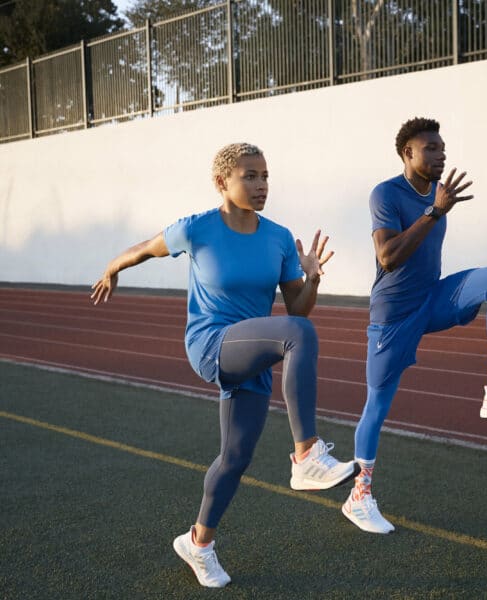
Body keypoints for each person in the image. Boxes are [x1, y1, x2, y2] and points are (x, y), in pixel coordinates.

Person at [91, 143, 358, 587]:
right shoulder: (196, 229)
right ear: (223, 182)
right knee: (298, 334)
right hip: (211, 343)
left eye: (265, 176)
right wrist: (113, 266)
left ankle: (198, 543)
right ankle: (306, 454)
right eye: (250, 176)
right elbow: (146, 248)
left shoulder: (277, 237)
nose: (261, 185)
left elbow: (298, 308)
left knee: (235, 458)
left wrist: (310, 277)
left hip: (253, 354)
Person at [342, 118, 487, 534]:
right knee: (377, 406)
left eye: (443, 148)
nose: (441, 155)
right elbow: (388, 257)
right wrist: (435, 212)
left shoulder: (441, 200)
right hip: (393, 316)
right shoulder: (386, 194)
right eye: (431, 148)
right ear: (408, 154)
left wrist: (439, 212)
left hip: (431, 298)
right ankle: (359, 496)